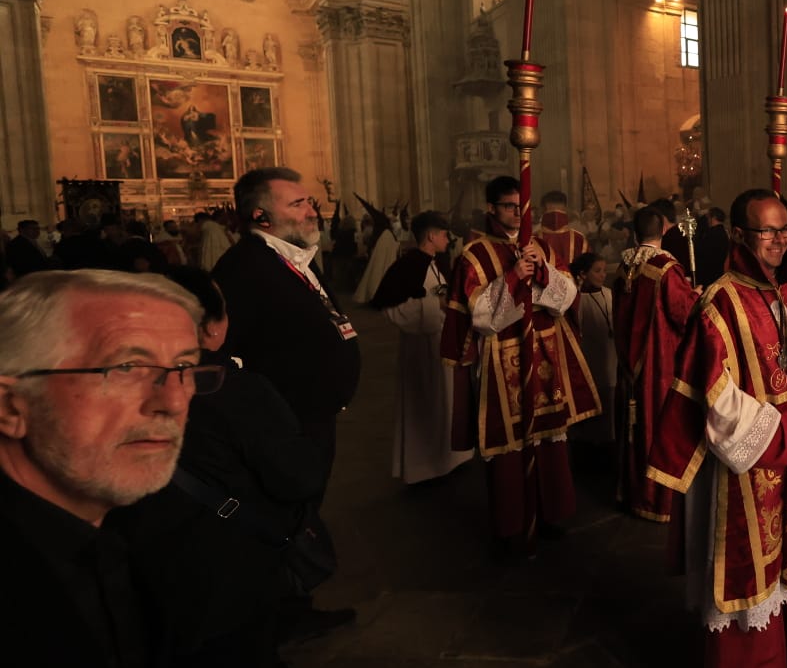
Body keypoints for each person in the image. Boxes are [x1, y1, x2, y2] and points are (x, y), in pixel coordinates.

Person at [646, 188, 787, 668]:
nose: (781, 240)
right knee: (752, 582)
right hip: (748, 468)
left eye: (786, 230)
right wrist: (785, 434)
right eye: (767, 231)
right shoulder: (720, 303)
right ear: (739, 235)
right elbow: (719, 401)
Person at [112, 266, 326, 668]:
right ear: (212, 327)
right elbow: (298, 477)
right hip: (225, 573)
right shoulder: (235, 389)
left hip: (138, 565)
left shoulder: (104, 387)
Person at [0, 269, 209, 668]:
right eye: (125, 369)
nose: (173, 402)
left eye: (184, 367)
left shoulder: (148, 531)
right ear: (11, 407)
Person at [212, 167, 360, 634]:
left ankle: (296, 604)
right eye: (297, 203)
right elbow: (227, 352)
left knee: (301, 515)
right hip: (282, 426)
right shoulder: (243, 269)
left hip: (310, 419)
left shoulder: (296, 259)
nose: (311, 209)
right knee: (277, 519)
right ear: (260, 214)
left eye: (309, 201)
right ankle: (272, 626)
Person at [441, 175, 600, 554]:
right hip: (502, 360)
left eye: (522, 205)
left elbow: (566, 297)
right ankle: (513, 525)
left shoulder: (540, 246)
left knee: (548, 437)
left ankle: (548, 514)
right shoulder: (475, 255)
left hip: (544, 351)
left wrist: (543, 272)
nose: (518, 213)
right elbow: (482, 317)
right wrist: (513, 277)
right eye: (511, 206)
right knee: (510, 446)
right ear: (492, 209)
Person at [371, 211, 470, 485]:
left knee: (445, 401)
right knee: (424, 406)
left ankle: (449, 458)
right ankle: (424, 466)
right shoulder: (409, 265)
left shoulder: (436, 264)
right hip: (421, 348)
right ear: (430, 235)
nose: (448, 239)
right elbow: (390, 308)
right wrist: (434, 307)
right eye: (443, 234)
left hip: (442, 343)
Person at [614, 205, 699, 521]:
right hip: (658, 364)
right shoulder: (666, 268)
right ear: (664, 229)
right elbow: (684, 313)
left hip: (628, 363)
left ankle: (632, 492)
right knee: (658, 425)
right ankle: (657, 501)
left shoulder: (624, 266)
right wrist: (697, 296)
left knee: (633, 428)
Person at [567, 252, 617, 450]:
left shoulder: (608, 293)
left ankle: (607, 444)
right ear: (583, 274)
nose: (603, 275)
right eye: (597, 271)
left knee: (609, 404)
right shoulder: (576, 299)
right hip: (588, 357)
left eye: (604, 271)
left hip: (610, 355)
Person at [538, 190, 590, 267]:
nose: (556, 216)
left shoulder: (579, 239)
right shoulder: (579, 238)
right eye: (552, 211)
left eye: (559, 211)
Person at [694, 206, 731, 287]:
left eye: (708, 217)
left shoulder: (711, 234)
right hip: (720, 274)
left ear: (713, 218)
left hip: (709, 276)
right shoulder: (724, 233)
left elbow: (701, 254)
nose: (706, 220)